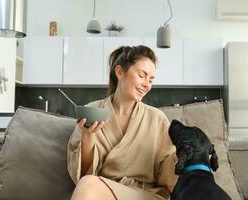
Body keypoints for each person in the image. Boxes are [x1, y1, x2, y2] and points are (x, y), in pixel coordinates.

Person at [67, 45, 178, 200]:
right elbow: (84, 172)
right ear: (119, 72)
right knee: (88, 183)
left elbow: (167, 175)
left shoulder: (157, 119)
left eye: (151, 80)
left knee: (88, 185)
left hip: (145, 195)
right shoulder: (92, 111)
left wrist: (182, 154)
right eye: (142, 75)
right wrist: (87, 135)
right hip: (103, 191)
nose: (147, 85)